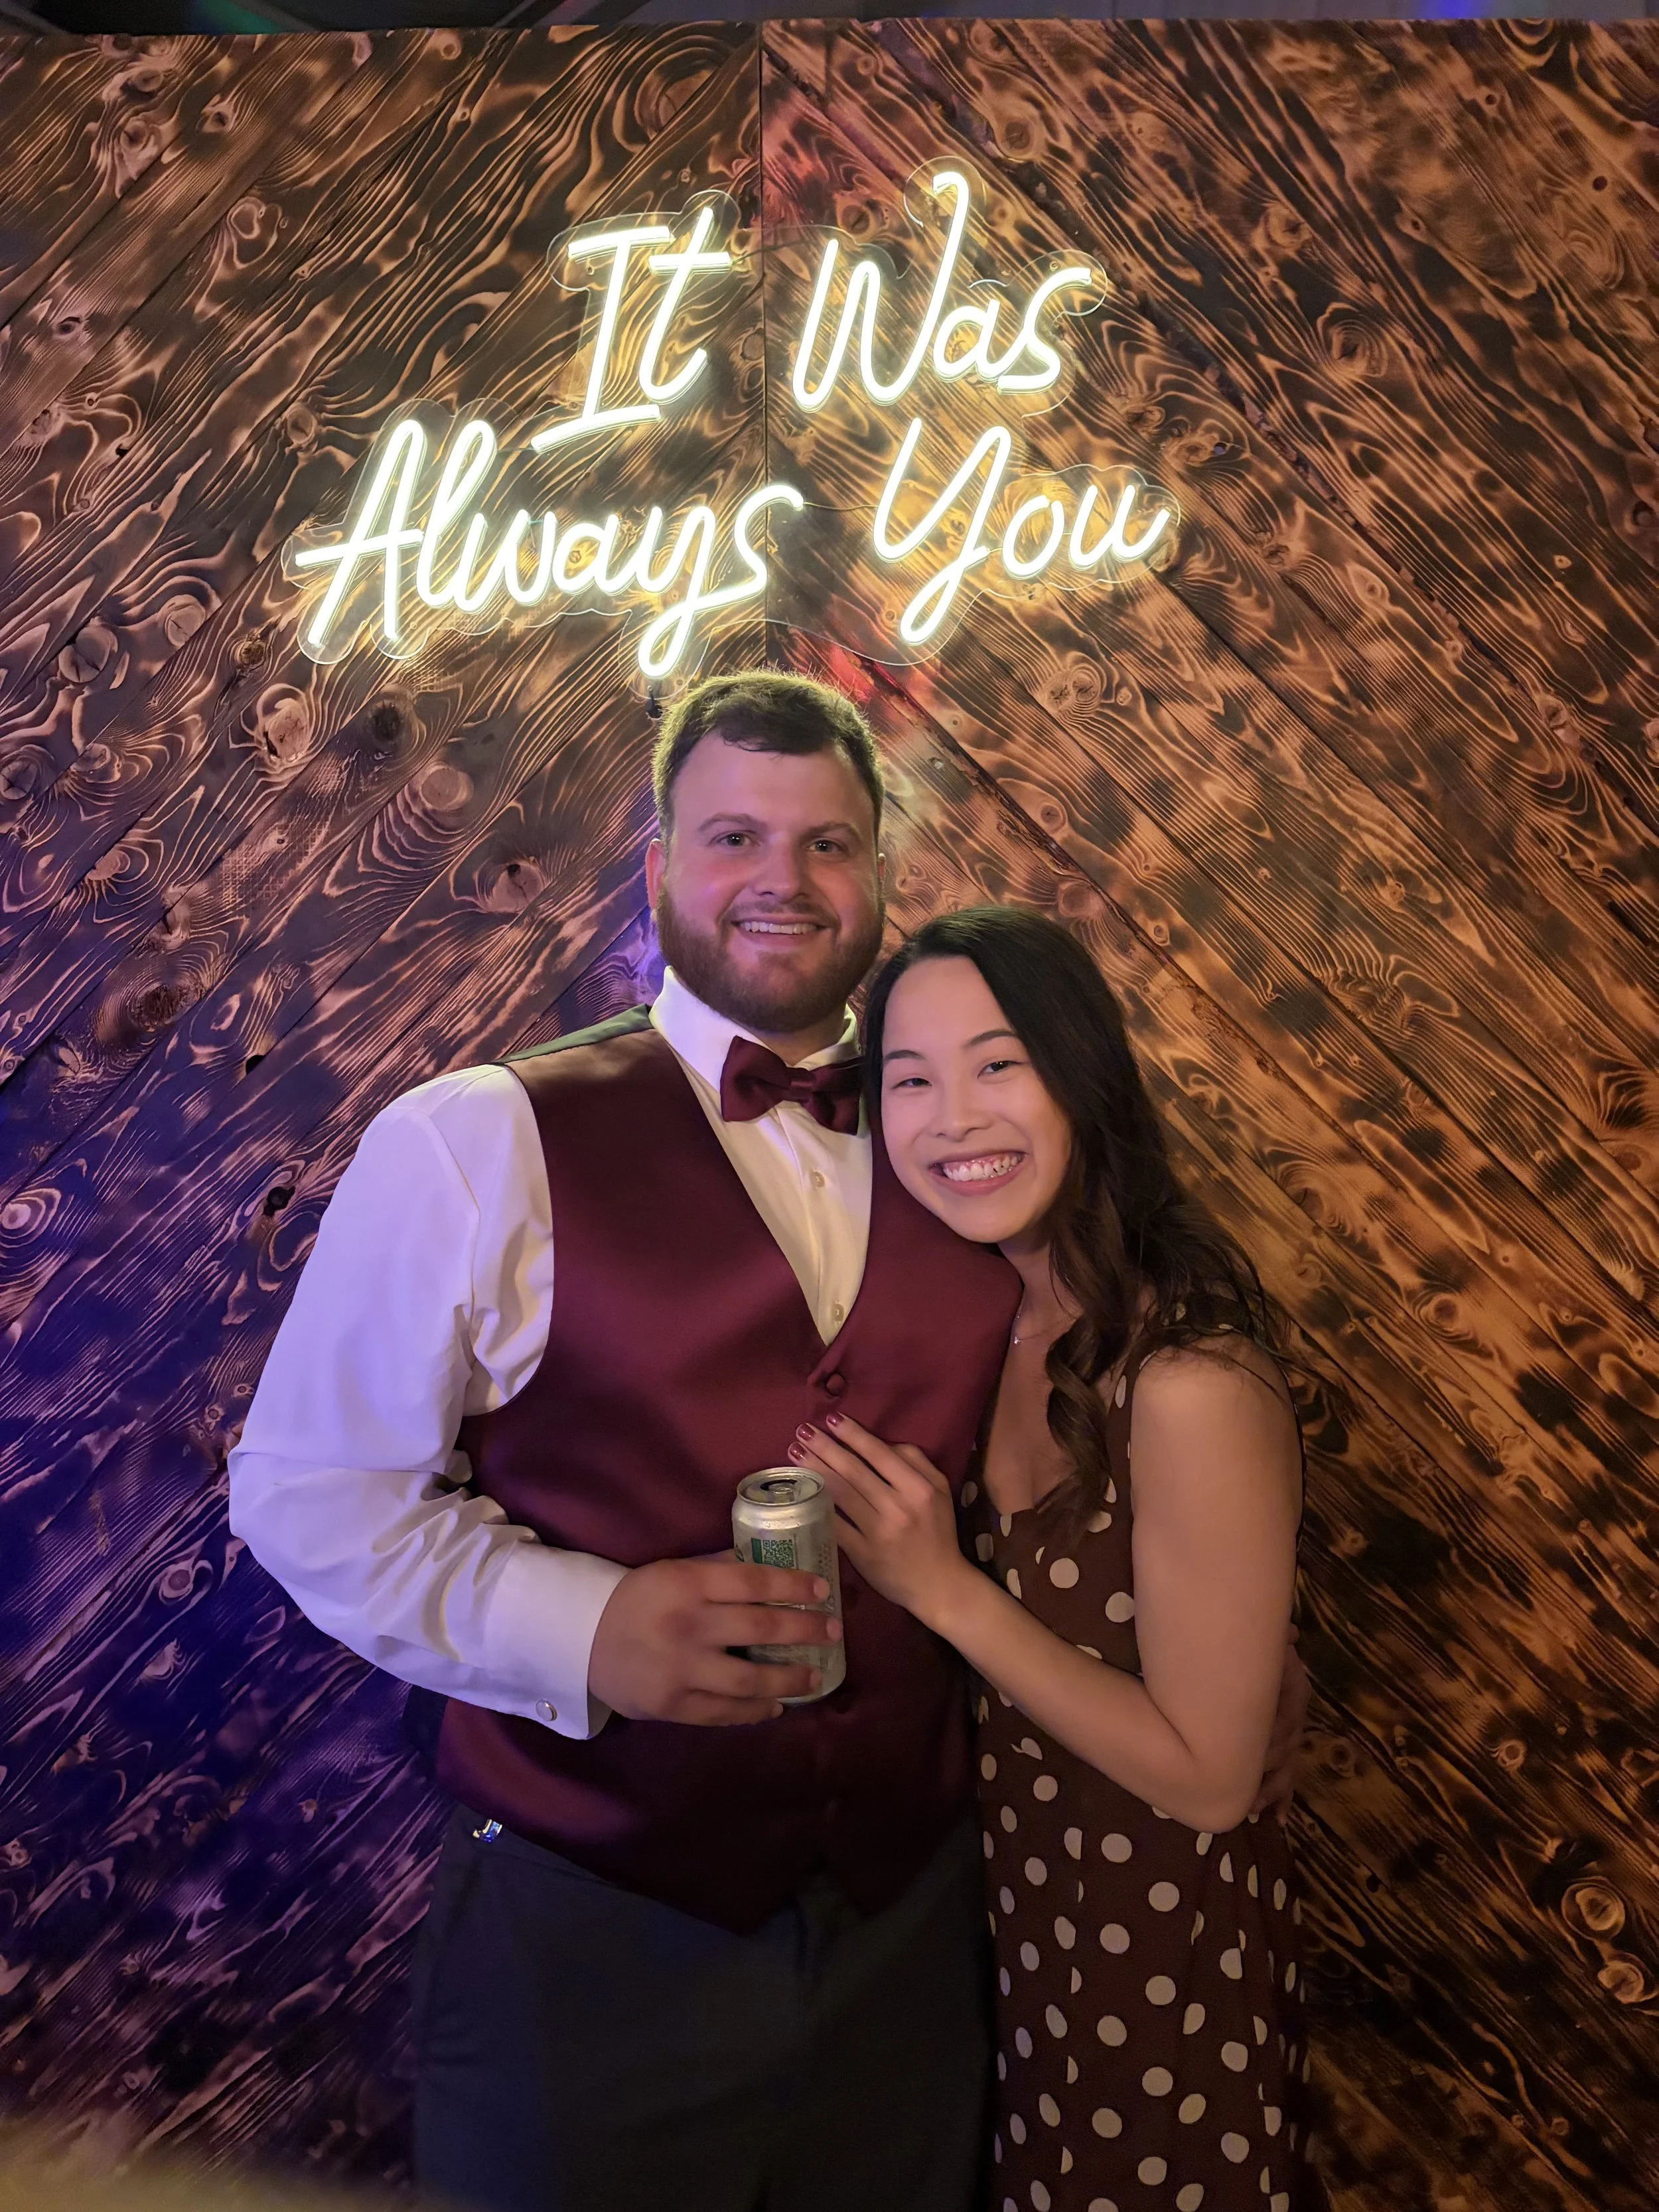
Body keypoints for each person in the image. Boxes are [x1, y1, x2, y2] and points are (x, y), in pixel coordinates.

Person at [228, 675, 1307, 2212]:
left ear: (879, 877)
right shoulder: (473, 1140)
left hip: (922, 1940)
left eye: (829, 844)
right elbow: (306, 1492)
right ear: (656, 866)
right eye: (734, 834)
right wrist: (585, 1624)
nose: (782, 883)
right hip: (590, 1937)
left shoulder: (958, 1138)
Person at [792, 906, 1321, 2212]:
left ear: (1079, 1072)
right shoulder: (994, 1318)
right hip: (1022, 1942)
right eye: (908, 1080)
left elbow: (1206, 1779)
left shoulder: (1188, 1378)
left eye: (996, 1062)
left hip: (1162, 1965)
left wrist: (944, 1589)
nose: (951, 1118)